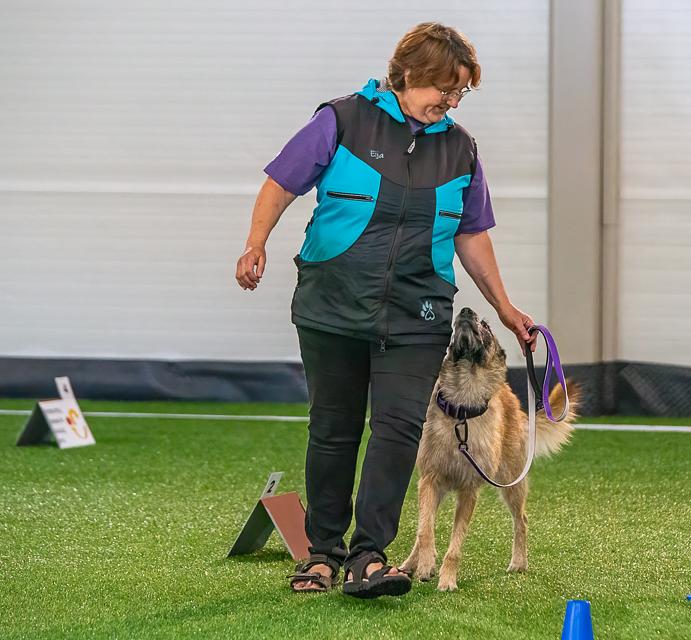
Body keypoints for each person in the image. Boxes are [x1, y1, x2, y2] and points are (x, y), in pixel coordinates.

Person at [235, 22, 537, 598]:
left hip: (418, 312)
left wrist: (504, 306)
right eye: (444, 89)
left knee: (398, 429)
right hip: (332, 304)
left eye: (459, 94)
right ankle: (322, 554)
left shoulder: (460, 148)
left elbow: (472, 235)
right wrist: (256, 242)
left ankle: (369, 556)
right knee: (334, 428)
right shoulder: (343, 121)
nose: (450, 102)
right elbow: (281, 182)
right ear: (410, 73)